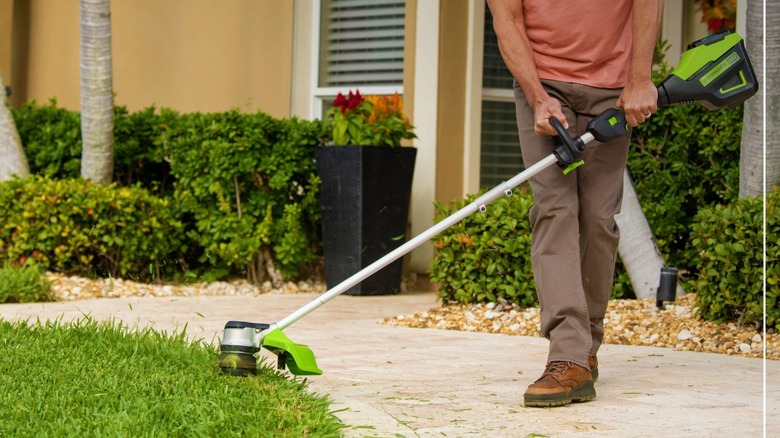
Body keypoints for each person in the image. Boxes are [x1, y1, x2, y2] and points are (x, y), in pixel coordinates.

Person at [486, 0, 663, 407]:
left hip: (612, 91)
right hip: (542, 85)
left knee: (599, 218)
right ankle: (567, 354)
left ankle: (584, 349)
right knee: (554, 209)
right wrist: (536, 96)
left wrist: (640, 78)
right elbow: (507, 18)